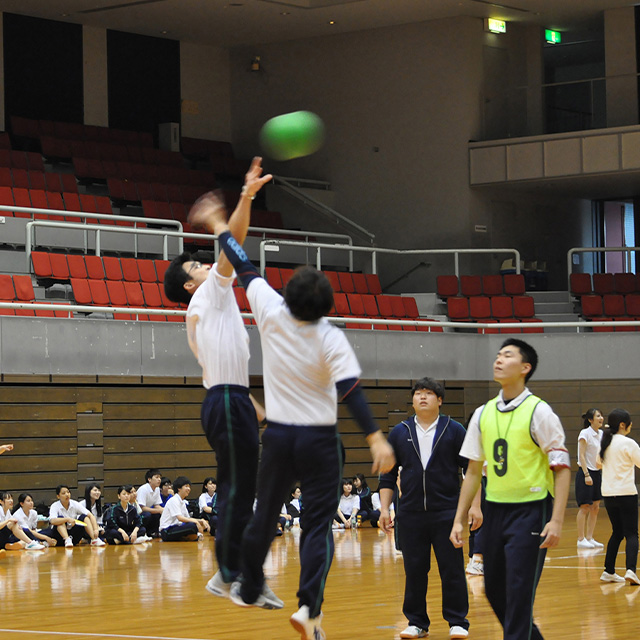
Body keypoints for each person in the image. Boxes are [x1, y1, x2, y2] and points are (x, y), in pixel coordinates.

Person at [198, 192, 395, 640]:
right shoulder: (330, 336)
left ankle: (248, 583)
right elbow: (352, 391)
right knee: (317, 524)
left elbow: (242, 260)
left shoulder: (268, 308)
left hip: (280, 437)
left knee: (264, 512)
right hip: (321, 443)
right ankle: (309, 608)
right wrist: (374, 436)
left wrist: (216, 223)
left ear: (287, 295)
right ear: (326, 306)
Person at [163, 157, 271, 598]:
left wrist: (251, 401)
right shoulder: (209, 293)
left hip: (229, 396)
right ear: (191, 284)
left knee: (243, 484)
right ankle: (228, 572)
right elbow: (234, 246)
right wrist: (242, 199)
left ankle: (236, 572)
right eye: (196, 268)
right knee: (235, 485)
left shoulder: (208, 306)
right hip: (225, 399)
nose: (205, 267)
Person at [450, 338, 571, 640]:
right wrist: (459, 517)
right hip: (495, 511)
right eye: (498, 355)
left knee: (518, 596)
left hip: (531, 510)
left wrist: (556, 520)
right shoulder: (483, 413)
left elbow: (562, 469)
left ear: (525, 368)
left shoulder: (540, 412)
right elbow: (473, 471)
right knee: (494, 590)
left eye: (507, 355)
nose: (498, 360)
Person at [379, 377, 472, 640]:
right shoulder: (400, 431)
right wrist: (385, 509)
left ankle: (458, 622)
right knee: (415, 570)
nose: (422, 397)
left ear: (439, 400)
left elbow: (472, 471)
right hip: (410, 514)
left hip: (446, 513)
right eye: (418, 393)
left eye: (429, 393)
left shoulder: (455, 430)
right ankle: (416, 622)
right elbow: (387, 477)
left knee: (451, 569)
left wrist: (474, 507)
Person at [598, 408, 640, 585]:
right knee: (632, 534)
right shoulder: (628, 443)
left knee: (617, 532)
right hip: (626, 493)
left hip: (608, 494)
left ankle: (609, 571)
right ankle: (631, 570)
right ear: (623, 425)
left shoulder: (605, 443)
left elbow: (597, 464)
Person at [576, 408, 604, 549]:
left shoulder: (602, 434)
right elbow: (581, 455)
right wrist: (587, 475)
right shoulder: (585, 434)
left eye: (601, 416)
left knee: (595, 507)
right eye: (598, 416)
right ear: (590, 420)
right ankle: (581, 539)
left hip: (597, 472)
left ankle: (590, 537)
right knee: (585, 507)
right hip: (585, 473)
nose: (601, 418)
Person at [159, 476, 210, 541]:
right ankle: (189, 536)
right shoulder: (174, 500)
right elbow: (180, 518)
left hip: (175, 527)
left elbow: (188, 518)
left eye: (189, 487)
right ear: (179, 488)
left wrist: (201, 521)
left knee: (199, 523)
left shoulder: (182, 502)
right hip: (166, 531)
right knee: (193, 526)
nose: (189, 489)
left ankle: (186, 537)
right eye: (186, 486)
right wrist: (196, 522)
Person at [137, 469, 164, 536]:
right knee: (147, 515)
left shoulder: (157, 489)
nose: (159, 480)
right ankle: (142, 532)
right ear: (149, 479)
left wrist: (164, 510)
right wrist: (158, 510)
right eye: (157, 477)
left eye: (160, 478)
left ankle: (153, 532)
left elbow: (157, 505)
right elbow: (141, 508)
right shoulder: (143, 489)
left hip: (147, 511)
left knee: (159, 513)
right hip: (138, 514)